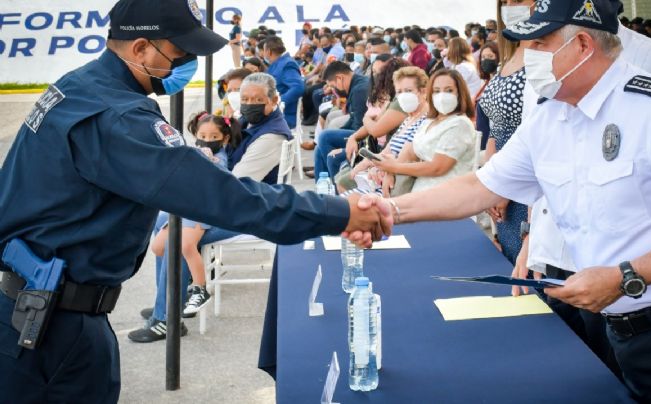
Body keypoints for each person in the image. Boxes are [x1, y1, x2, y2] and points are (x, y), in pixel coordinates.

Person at [0, 0, 389, 401]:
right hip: (51, 331)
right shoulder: (118, 118)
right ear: (140, 48)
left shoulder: (77, 88)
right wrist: (336, 211)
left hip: (33, 309)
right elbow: (225, 198)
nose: (185, 64)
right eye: (181, 53)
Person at [352, 0, 651, 401]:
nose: (529, 57)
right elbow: (481, 186)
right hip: (617, 330)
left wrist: (625, 277)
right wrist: (389, 211)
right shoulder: (551, 115)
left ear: (582, 44)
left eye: (541, 44)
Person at [130, 73, 296, 341]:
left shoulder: (271, 136)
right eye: (244, 99)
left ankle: (165, 319)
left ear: (274, 100)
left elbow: (237, 183)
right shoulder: (250, 123)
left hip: (249, 210)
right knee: (161, 221)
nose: (248, 104)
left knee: (176, 236)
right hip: (230, 203)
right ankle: (173, 299)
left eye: (257, 100)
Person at [150, 112, 234, 317]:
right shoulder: (195, 151)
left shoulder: (218, 157)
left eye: (214, 137)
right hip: (189, 206)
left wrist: (206, 160)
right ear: (196, 134)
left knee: (184, 245)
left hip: (204, 210)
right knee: (158, 246)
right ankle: (169, 299)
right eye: (203, 136)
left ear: (225, 139)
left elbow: (219, 174)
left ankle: (199, 288)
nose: (207, 141)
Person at [476, 0, 533, 264]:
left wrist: (505, 188)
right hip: (501, 180)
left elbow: (534, 135)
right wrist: (491, 182)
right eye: (505, 2)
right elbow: (494, 130)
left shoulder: (543, 60)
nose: (511, 6)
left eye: (519, 0)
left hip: (526, 186)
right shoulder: (508, 57)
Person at [372, 69, 477, 193]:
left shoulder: (460, 124)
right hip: (417, 190)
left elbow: (437, 167)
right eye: (437, 91)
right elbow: (410, 150)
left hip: (444, 194)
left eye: (449, 90)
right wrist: (390, 171)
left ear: (460, 93)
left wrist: (395, 167)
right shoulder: (430, 121)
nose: (442, 96)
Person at [345, 66, 430, 196]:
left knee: (343, 205)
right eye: (399, 92)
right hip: (380, 179)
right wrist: (365, 164)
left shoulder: (426, 120)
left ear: (423, 92)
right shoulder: (409, 118)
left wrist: (387, 170)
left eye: (408, 90)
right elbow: (386, 152)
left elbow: (409, 156)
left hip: (395, 186)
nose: (403, 96)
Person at [313, 61, 370, 179]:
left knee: (325, 136)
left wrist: (337, 136)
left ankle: (334, 182)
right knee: (319, 147)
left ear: (340, 78)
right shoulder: (357, 84)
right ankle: (323, 192)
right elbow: (353, 119)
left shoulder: (359, 89)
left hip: (366, 137)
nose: (334, 90)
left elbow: (359, 126)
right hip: (360, 130)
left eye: (333, 86)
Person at [264, 36, 304, 129]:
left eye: (264, 51)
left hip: (283, 115)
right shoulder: (278, 63)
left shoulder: (287, 64)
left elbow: (298, 87)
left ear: (269, 51)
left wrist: (278, 102)